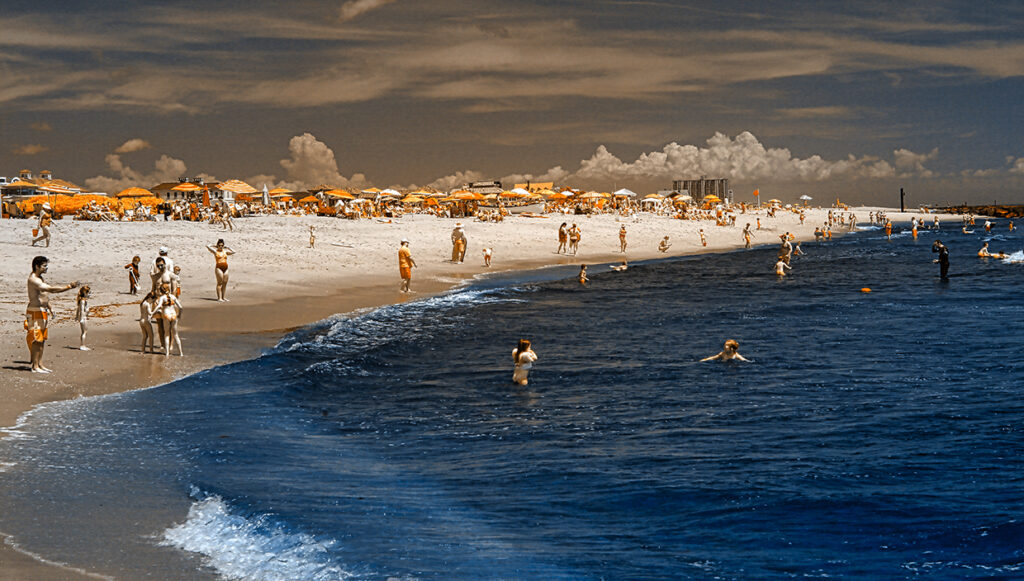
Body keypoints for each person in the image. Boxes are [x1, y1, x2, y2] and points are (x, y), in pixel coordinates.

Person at [25, 256, 79, 373]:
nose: (46, 267)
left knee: (42, 339)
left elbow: (43, 296)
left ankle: (40, 364)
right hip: (35, 311)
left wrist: (50, 308)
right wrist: (68, 287)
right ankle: (35, 366)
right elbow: (50, 289)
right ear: (37, 266)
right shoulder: (33, 279)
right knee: (36, 339)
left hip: (42, 311)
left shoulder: (40, 278)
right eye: (44, 265)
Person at [154, 283, 183, 356]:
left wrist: (152, 312)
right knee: (176, 335)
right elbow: (180, 307)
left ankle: (167, 353)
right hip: (173, 315)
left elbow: (159, 306)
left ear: (161, 291)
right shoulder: (173, 297)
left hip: (166, 315)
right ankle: (181, 353)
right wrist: (179, 315)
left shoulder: (162, 298)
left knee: (166, 335)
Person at [75, 285, 91, 350]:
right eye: (88, 293)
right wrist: (81, 318)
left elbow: (77, 309)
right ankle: (82, 345)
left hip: (84, 317)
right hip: (83, 318)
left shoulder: (82, 300)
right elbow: (81, 310)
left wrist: (76, 316)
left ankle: (83, 345)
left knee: (84, 331)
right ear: (85, 293)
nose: (89, 294)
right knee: (84, 331)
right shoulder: (83, 301)